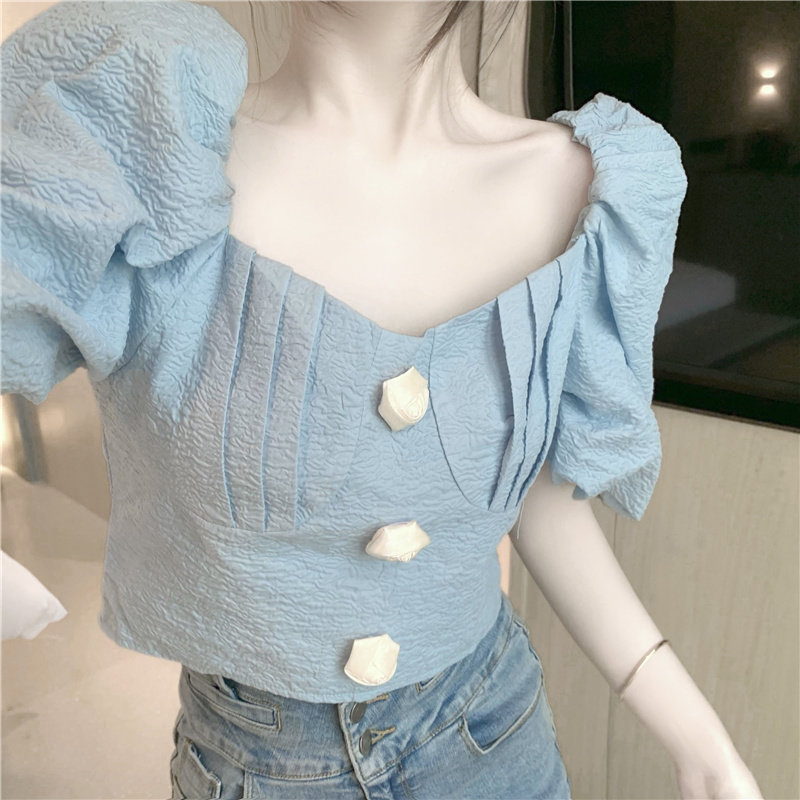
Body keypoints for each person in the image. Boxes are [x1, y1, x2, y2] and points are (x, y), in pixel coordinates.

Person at [1, 1, 763, 798]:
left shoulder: (580, 191)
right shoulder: (150, 154)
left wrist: (699, 740)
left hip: (492, 736)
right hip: (257, 765)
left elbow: (536, 497)